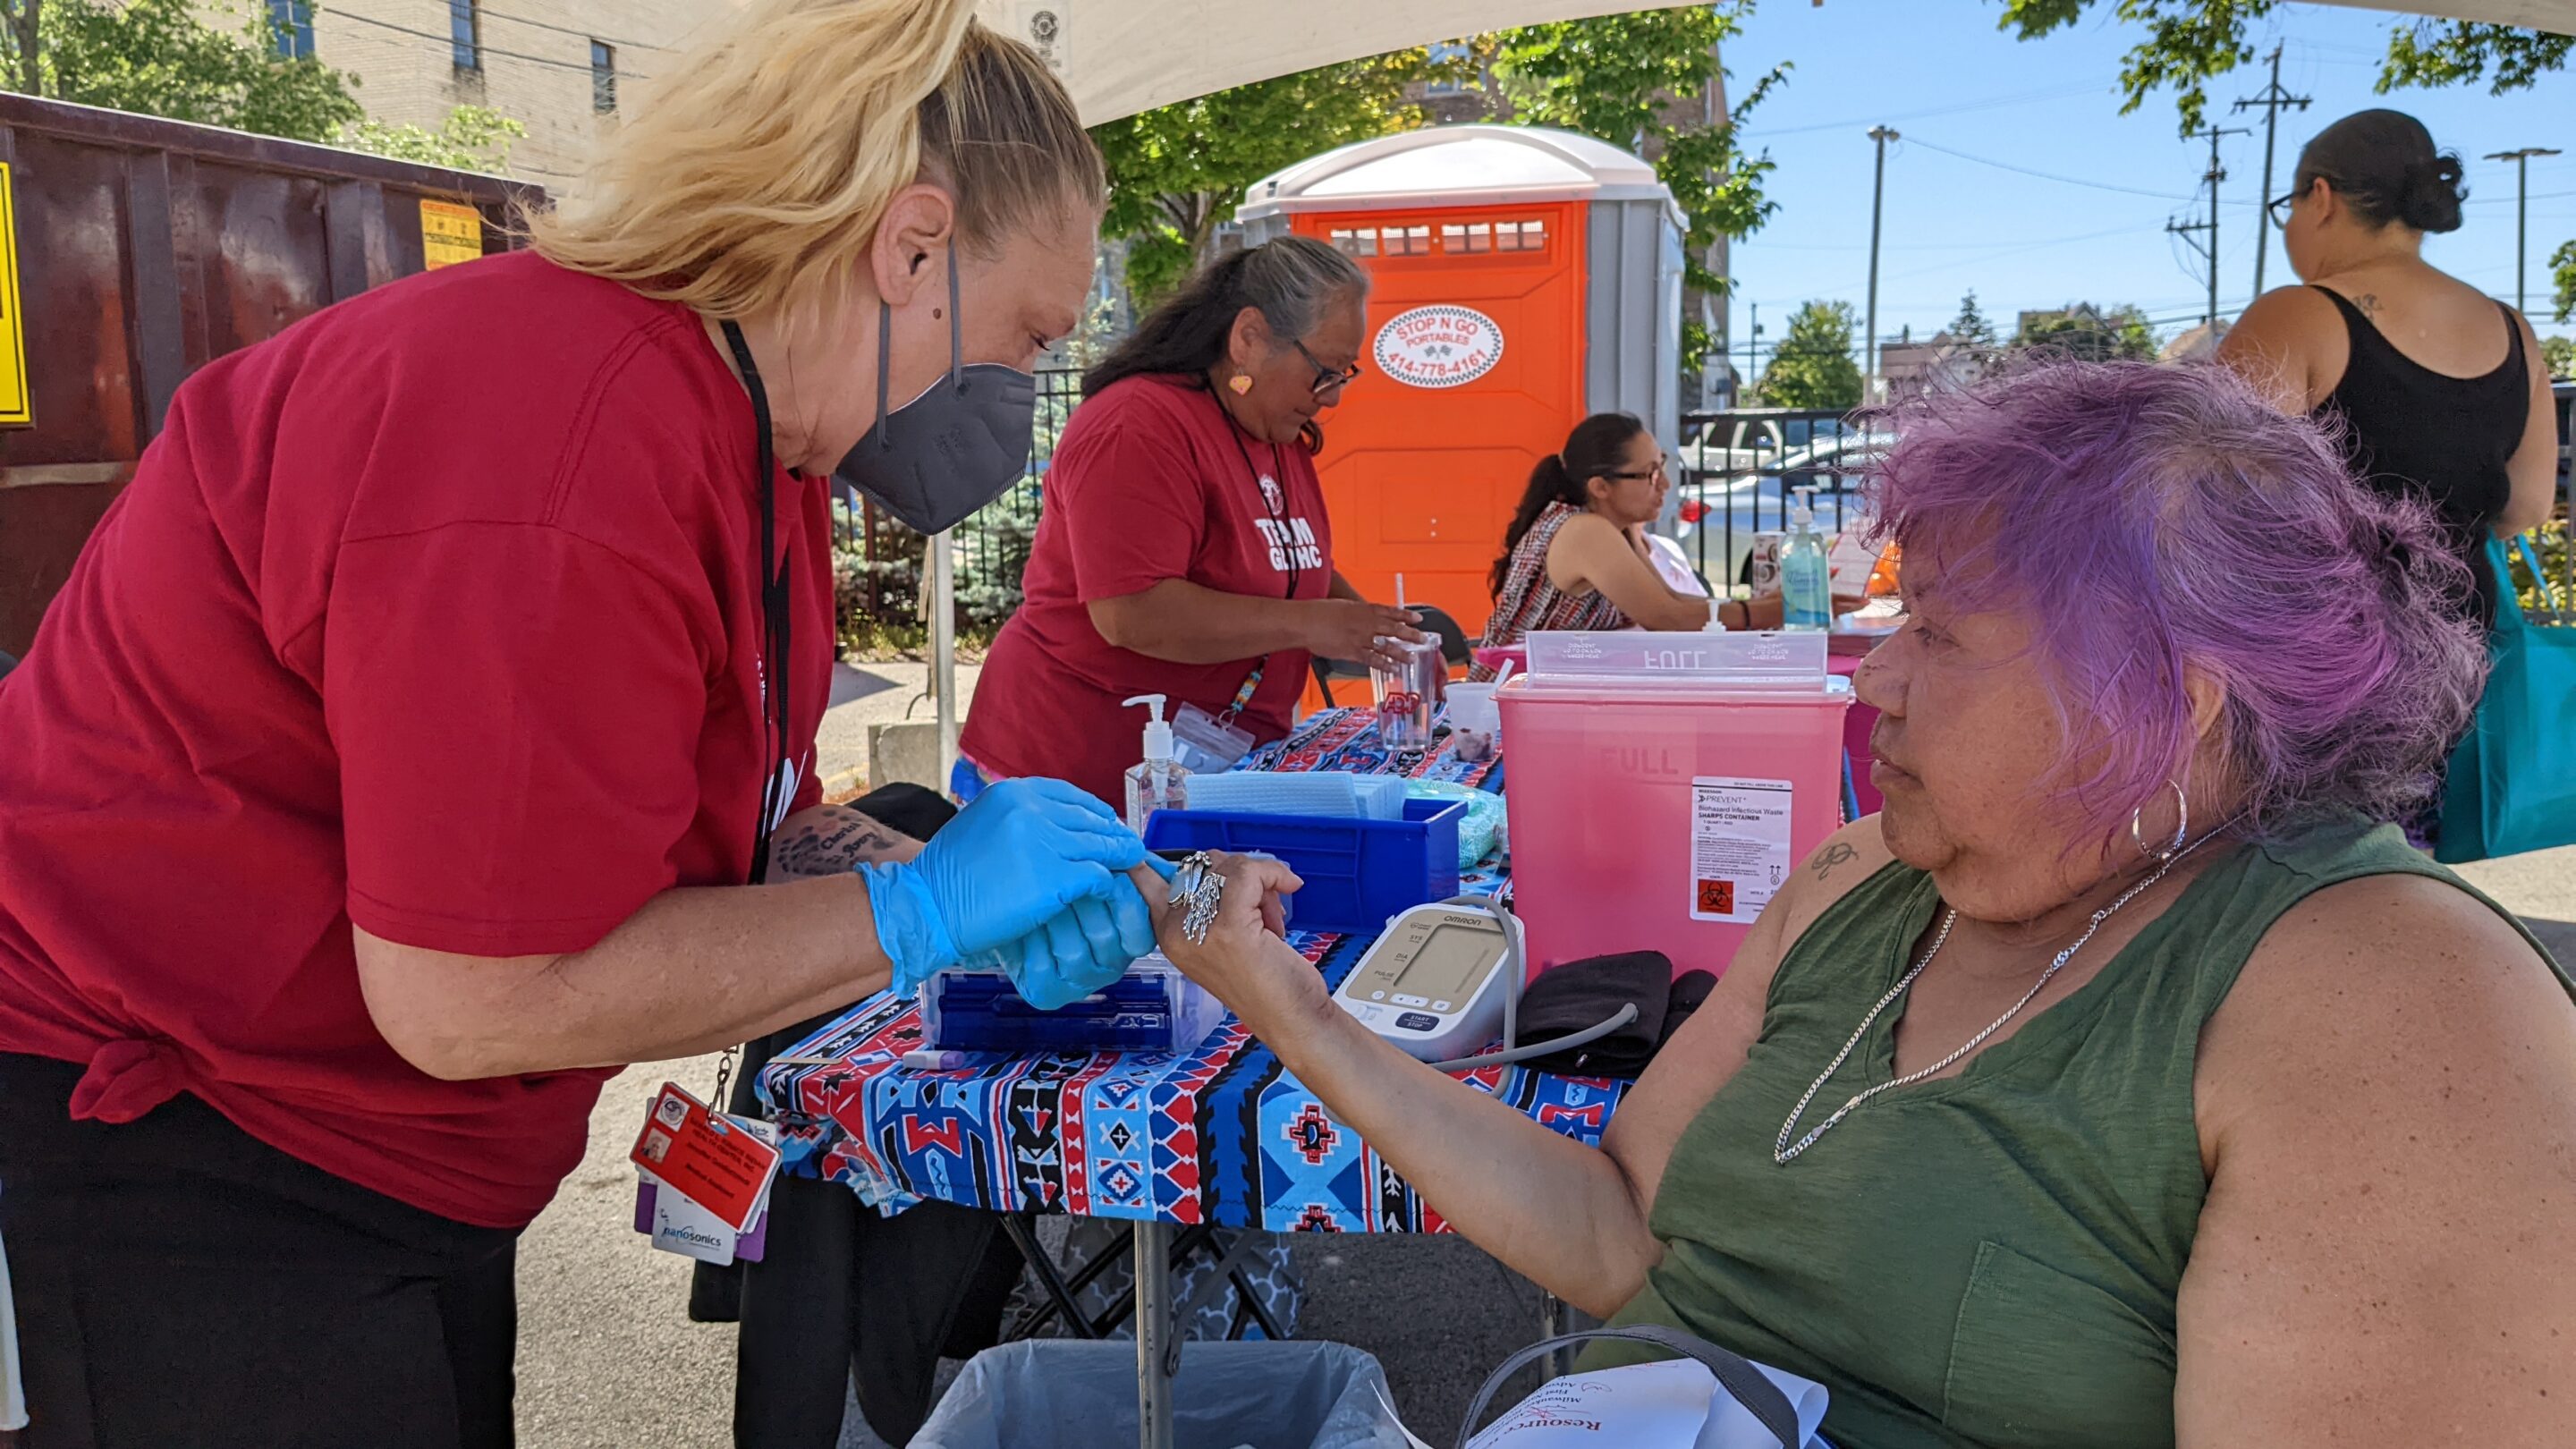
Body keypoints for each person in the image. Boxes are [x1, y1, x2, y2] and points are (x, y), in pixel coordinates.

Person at [0, 4, 1162, 1444]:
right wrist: (915, 910)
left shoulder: (755, 436)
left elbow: (658, 828)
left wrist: (919, 879)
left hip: (394, 1146)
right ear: (908, 246)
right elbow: (475, 994)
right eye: (1027, 337)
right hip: (192, 1145)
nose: (1015, 396)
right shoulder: (556, 436)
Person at [1150, 361, 2576, 1448]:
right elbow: (1616, 1232)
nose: (1870, 680)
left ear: (2172, 705)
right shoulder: (1868, 878)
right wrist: (1294, 1009)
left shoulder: (2396, 999)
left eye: (1941, 636)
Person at [961, 238, 1425, 805]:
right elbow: (1131, 613)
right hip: (1073, 779)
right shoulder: (1138, 425)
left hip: (1206, 777)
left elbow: (1292, 565)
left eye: (1343, 374)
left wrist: (1373, 630)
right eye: (1322, 372)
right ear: (1249, 338)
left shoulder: (1273, 433)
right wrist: (1313, 624)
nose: (1330, 398)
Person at [2220, 108, 2559, 633]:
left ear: (2322, 198)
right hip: (2461, 654)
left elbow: (2215, 497)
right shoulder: (2513, 329)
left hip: (2326, 661)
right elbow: (2529, 507)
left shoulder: (2295, 316)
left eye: (2289, 207)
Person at [1472, 413, 1852, 679]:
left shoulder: (1616, 529)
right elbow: (1667, 619)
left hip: (1541, 698)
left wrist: (1779, 606)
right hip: (1499, 710)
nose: (1665, 484)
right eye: (1649, 474)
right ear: (1600, 487)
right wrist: (1777, 612)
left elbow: (1674, 601)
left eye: (1663, 465)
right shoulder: (1583, 530)